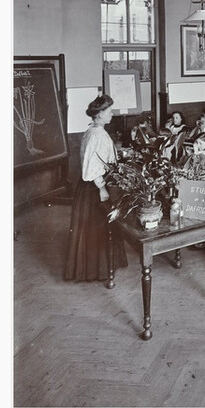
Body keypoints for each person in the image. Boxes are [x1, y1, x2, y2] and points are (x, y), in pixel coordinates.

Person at [64, 94, 128, 282]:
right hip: (94, 188)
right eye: (109, 111)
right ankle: (98, 270)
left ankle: (96, 267)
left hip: (89, 187)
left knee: (94, 229)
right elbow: (92, 166)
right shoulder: (97, 134)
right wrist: (102, 188)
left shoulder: (92, 130)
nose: (112, 114)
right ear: (99, 114)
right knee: (98, 228)